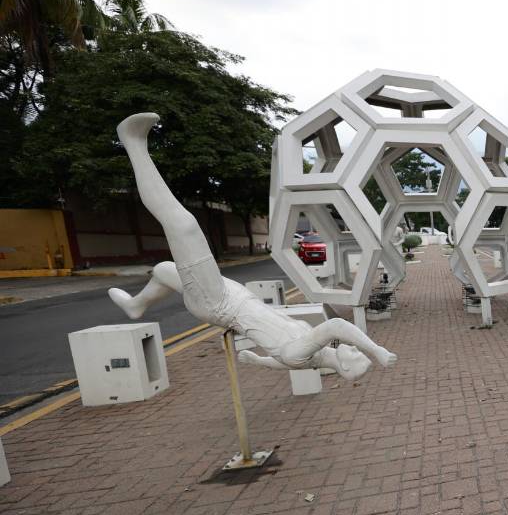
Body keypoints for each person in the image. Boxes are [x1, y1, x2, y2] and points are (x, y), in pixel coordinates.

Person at [108, 113, 397, 381]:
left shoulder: (299, 353)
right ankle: (136, 305)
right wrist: (254, 360)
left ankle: (133, 144)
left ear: (344, 366)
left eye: (355, 354)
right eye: (360, 351)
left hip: (220, 304)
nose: (355, 349)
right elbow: (277, 362)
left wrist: (376, 351)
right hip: (234, 298)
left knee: (183, 226)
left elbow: (336, 328)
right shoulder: (308, 356)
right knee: (165, 269)